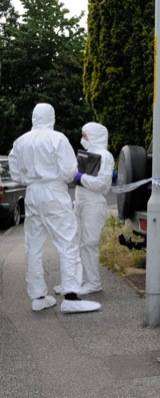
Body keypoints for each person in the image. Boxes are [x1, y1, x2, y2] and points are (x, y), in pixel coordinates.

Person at [8, 103, 101, 313]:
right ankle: (71, 296)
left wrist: (30, 178)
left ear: (33, 117)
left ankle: (38, 296)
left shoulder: (20, 142)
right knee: (67, 242)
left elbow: (15, 173)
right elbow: (69, 172)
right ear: (51, 117)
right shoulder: (58, 138)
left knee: (33, 246)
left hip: (32, 193)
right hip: (54, 192)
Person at [64, 122, 114, 295]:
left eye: (85, 135)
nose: (83, 139)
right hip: (81, 202)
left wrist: (81, 177)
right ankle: (78, 281)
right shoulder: (87, 155)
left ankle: (93, 283)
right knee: (77, 243)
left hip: (94, 204)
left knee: (89, 243)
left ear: (95, 136)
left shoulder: (105, 156)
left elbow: (102, 185)